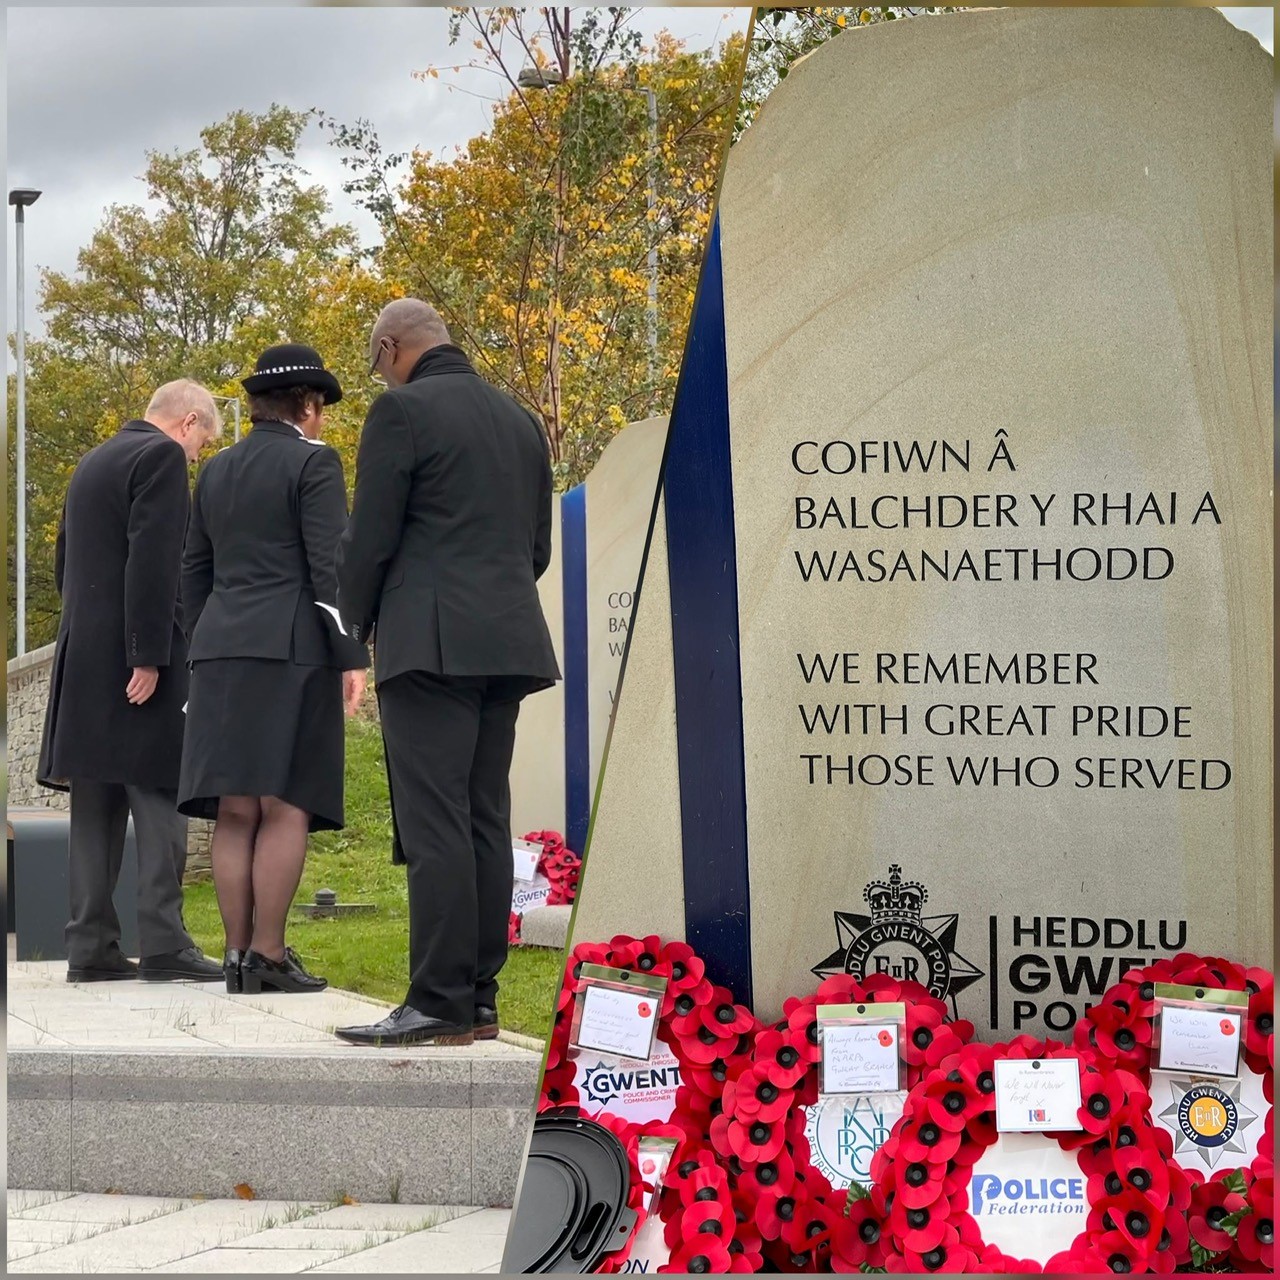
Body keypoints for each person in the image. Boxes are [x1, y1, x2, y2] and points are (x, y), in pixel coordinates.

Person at [334, 299, 559, 1046]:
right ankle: (479, 1000)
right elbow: (536, 549)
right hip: (507, 639)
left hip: (428, 642)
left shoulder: (402, 415)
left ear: (393, 346)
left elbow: (370, 539)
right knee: (483, 816)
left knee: (434, 821)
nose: (383, 380)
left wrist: (354, 628)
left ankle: (435, 999)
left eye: (379, 365)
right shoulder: (521, 420)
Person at [178, 344, 369, 995]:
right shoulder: (314, 464)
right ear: (308, 406)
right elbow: (328, 568)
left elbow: (193, 572)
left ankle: (234, 958)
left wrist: (206, 639)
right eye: (320, 411)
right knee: (286, 804)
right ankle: (267, 953)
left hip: (219, 650)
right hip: (290, 650)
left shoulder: (218, 470)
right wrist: (351, 655)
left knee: (235, 807)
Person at [38, 380, 224, 983]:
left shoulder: (92, 462)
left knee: (95, 804)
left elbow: (65, 560)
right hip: (139, 654)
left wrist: (88, 633)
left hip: (83, 652)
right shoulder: (161, 456)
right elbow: (155, 558)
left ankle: (89, 947)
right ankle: (165, 943)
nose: (195, 458)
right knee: (159, 792)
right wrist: (147, 654)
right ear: (188, 422)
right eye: (202, 446)